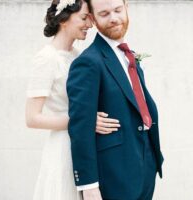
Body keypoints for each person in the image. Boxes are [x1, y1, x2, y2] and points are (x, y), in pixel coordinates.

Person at [66, 0, 164, 199]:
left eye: (118, 10)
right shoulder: (88, 62)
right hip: (114, 174)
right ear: (92, 19)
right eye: (104, 14)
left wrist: (152, 160)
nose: (113, 18)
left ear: (126, 8)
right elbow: (80, 127)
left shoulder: (128, 55)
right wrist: (88, 184)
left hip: (146, 165)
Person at [25, 0, 121, 199]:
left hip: (88, 146)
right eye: (84, 18)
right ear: (64, 20)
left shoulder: (80, 57)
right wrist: (84, 122)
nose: (90, 24)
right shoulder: (46, 58)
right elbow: (32, 118)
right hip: (63, 148)